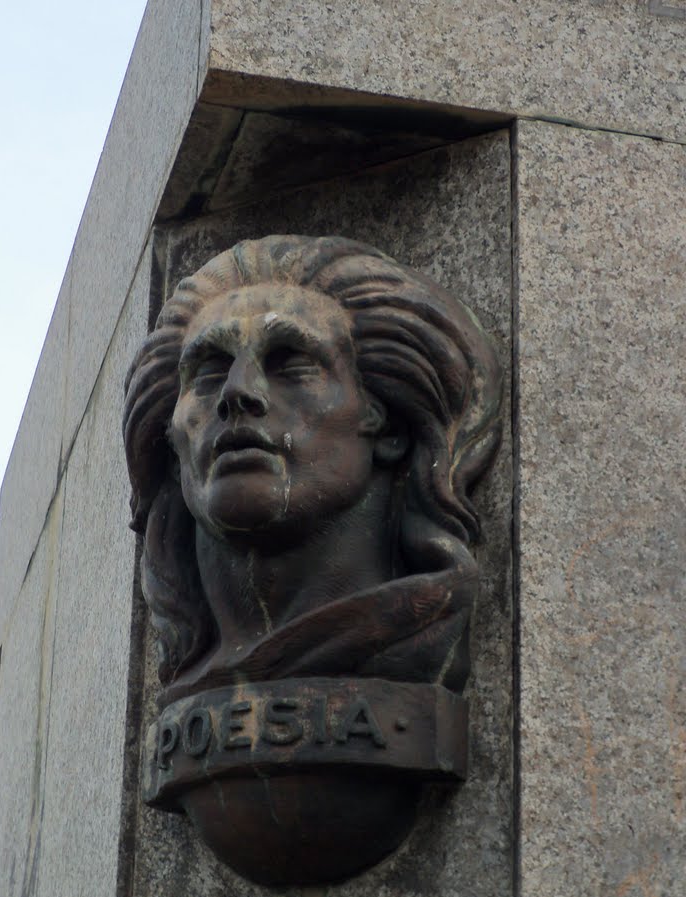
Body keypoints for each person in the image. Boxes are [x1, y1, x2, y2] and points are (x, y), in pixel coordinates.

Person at [123, 235, 502, 698]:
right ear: (170, 437)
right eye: (209, 371)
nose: (238, 392)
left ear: (388, 424)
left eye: (291, 364)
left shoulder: (422, 635)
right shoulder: (191, 680)